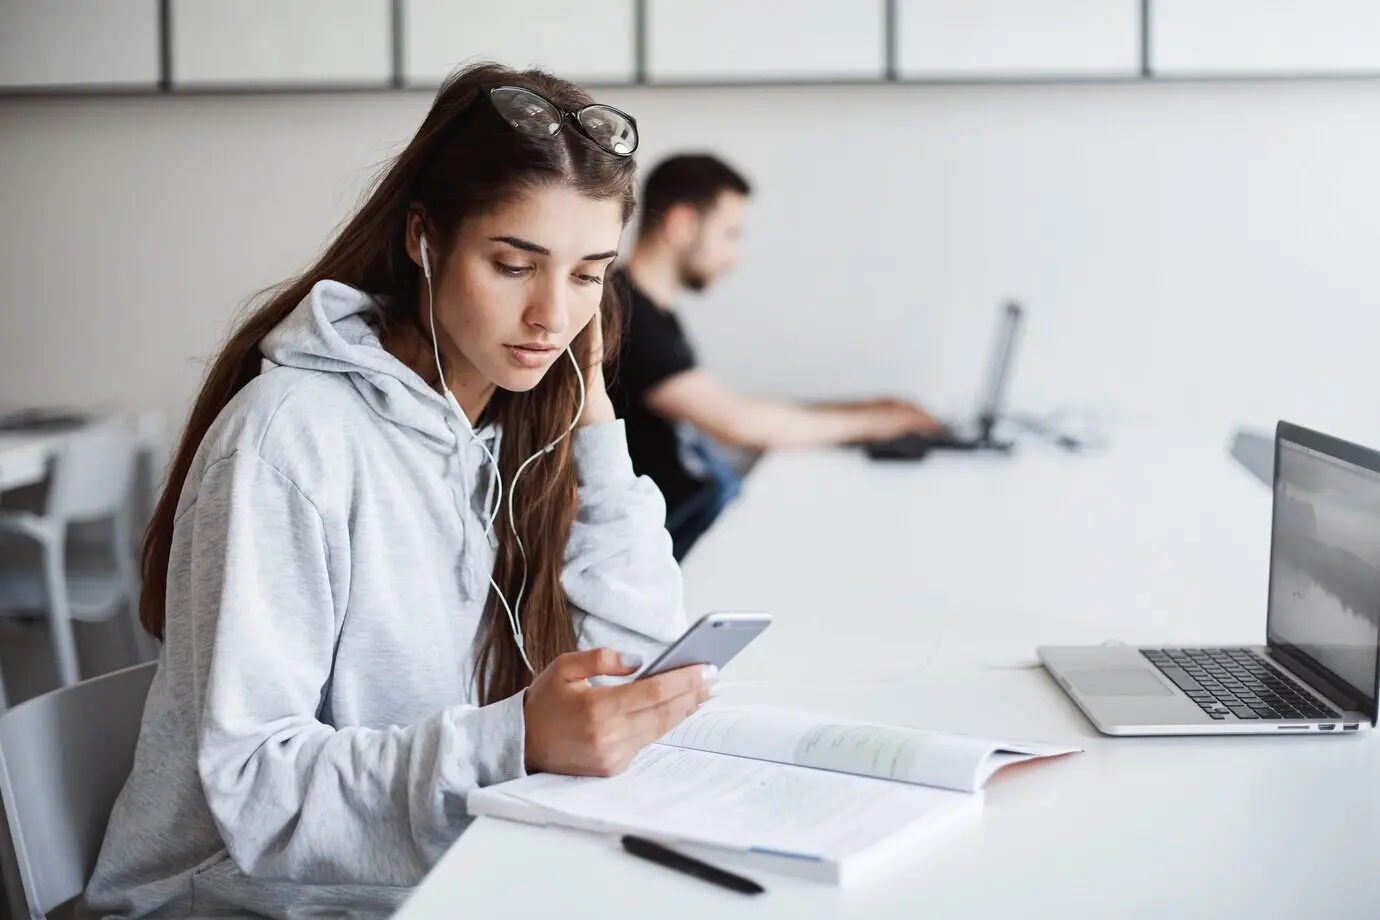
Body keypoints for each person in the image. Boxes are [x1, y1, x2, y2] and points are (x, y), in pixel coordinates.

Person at [80, 65, 713, 920]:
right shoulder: (289, 440)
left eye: (587, 276)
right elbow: (254, 788)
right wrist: (513, 740)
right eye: (514, 264)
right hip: (230, 900)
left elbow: (636, 679)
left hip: (423, 879)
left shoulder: (516, 425)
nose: (550, 317)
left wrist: (599, 429)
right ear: (424, 239)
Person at [608, 154, 943, 559]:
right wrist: (876, 422)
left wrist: (868, 410)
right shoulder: (625, 314)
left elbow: (730, 407)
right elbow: (735, 422)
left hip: (691, 521)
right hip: (671, 540)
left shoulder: (655, 313)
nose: (735, 256)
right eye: (730, 234)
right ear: (680, 225)